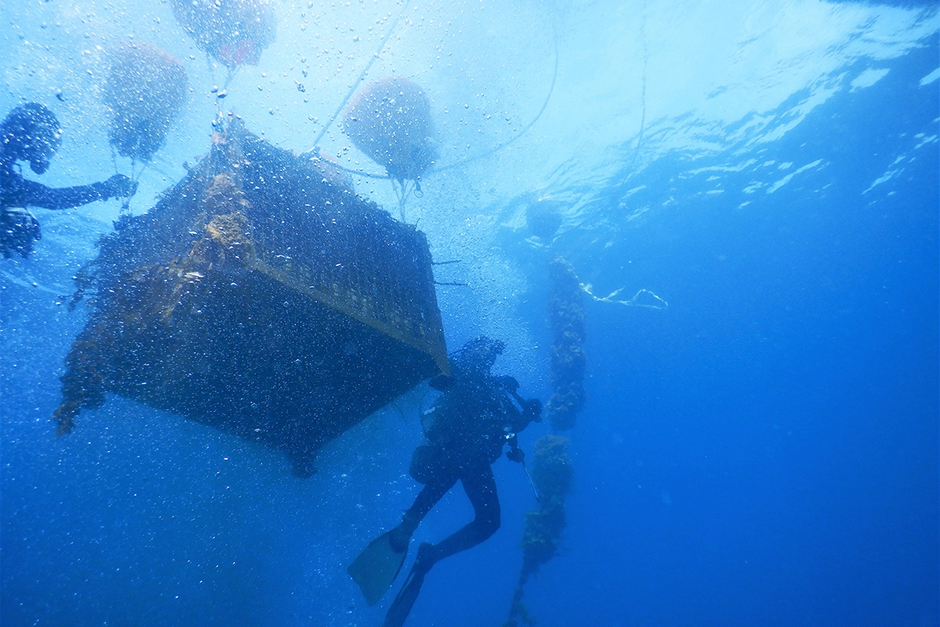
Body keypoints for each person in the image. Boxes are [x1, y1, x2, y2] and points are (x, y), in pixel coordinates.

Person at [347, 336, 542, 627]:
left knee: (489, 520)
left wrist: (527, 413)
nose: (488, 358)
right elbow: (439, 380)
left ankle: (426, 549)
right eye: (484, 352)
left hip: (468, 458)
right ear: (473, 352)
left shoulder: (495, 387)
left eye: (489, 355)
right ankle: (411, 531)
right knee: (463, 463)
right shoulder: (459, 370)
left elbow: (509, 425)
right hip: (451, 452)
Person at [1, 103, 137, 258]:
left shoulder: (6, 163)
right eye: (46, 140)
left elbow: (46, 197)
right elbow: (51, 198)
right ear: (30, 135)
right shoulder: (4, 162)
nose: (47, 151)